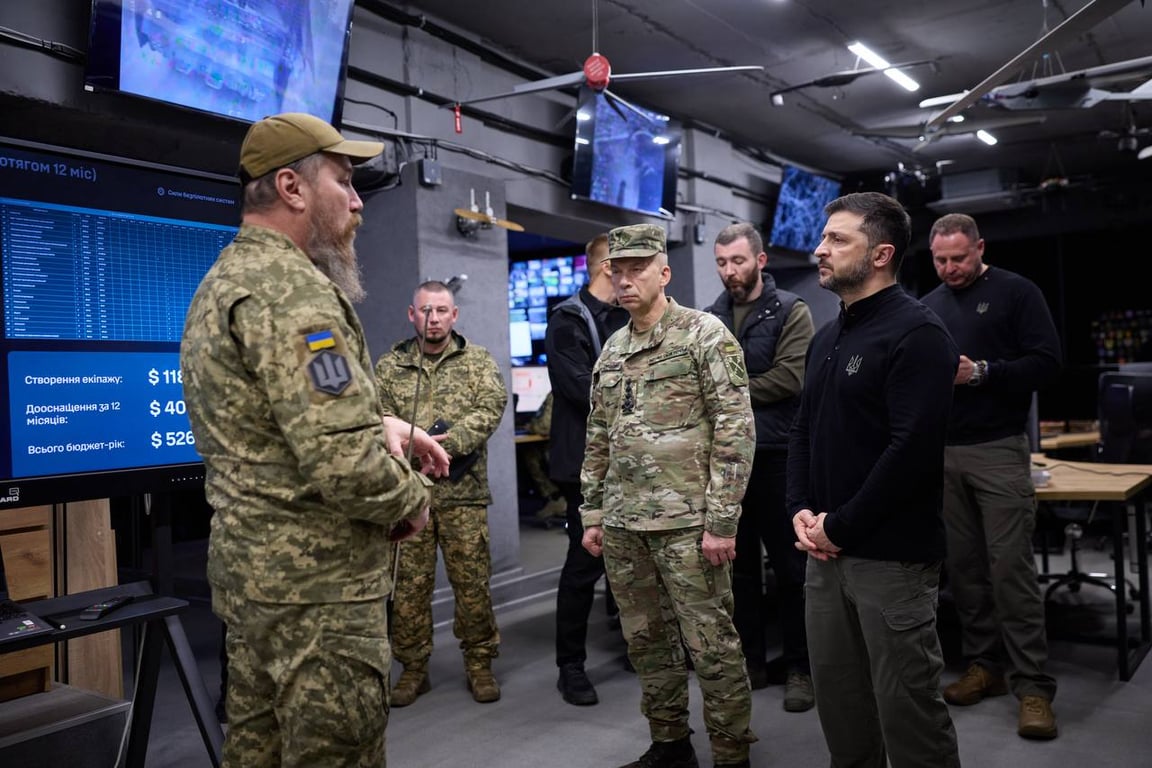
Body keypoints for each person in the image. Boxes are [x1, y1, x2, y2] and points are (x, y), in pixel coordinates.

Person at [181, 111, 448, 768]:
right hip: (320, 597)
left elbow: (266, 423)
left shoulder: (221, 285)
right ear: (293, 189)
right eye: (344, 181)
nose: (358, 202)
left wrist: (374, 419)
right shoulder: (296, 292)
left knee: (256, 750)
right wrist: (412, 500)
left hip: (253, 587)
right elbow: (345, 463)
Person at [787, 192, 962, 767]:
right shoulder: (826, 338)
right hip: (824, 554)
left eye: (838, 239)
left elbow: (909, 451)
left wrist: (842, 525)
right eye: (823, 236)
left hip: (890, 559)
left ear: (882, 253)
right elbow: (803, 432)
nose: (820, 248)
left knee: (908, 711)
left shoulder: (919, 334)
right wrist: (801, 509)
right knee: (842, 708)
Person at [581, 224, 757, 768]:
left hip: (688, 525)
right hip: (625, 526)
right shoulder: (613, 348)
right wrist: (593, 512)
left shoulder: (705, 334)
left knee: (712, 646)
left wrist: (722, 522)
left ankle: (731, 753)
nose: (625, 280)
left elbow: (736, 429)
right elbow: (598, 436)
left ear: (665, 271)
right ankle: (670, 744)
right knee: (647, 643)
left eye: (637, 269)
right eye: (617, 270)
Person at [921, 212, 1062, 740]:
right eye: (940, 259)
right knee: (965, 571)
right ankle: (986, 667)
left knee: (1011, 573)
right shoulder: (929, 305)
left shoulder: (1016, 293)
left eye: (959, 257)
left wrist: (981, 372)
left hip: (999, 448)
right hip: (944, 453)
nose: (951, 268)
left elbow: (1047, 362)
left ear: (980, 248)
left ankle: (1034, 687)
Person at [375, 280, 508, 706]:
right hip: (409, 494)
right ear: (411, 315)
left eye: (442, 311)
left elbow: (490, 408)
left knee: (472, 586)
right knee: (409, 589)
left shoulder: (477, 361)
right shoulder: (389, 366)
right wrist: (415, 447)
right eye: (425, 311)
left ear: (454, 315)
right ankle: (413, 669)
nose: (434, 319)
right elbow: (377, 415)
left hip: (462, 494)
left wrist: (439, 446)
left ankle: (480, 663)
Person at [705, 222, 816, 711]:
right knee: (738, 571)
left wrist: (724, 396)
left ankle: (800, 668)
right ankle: (750, 661)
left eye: (739, 261)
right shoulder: (710, 317)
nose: (730, 271)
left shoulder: (792, 309)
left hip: (777, 458)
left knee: (793, 571)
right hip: (727, 463)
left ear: (760, 261)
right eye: (722, 263)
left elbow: (790, 379)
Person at [545, 232, 630, 706]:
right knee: (584, 564)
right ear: (607, 270)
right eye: (627, 270)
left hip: (632, 462)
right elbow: (582, 389)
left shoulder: (628, 317)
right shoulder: (566, 321)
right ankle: (570, 666)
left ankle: (640, 646)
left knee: (634, 561)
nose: (632, 280)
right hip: (585, 466)